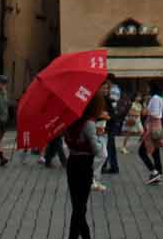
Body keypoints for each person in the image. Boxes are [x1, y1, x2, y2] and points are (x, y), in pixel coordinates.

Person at [63, 90, 106, 239]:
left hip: (72, 163)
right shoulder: (88, 123)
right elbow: (97, 150)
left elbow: (67, 143)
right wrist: (99, 138)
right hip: (84, 164)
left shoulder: (70, 120)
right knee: (80, 207)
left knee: (77, 205)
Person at [138, 83, 163, 182]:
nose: (147, 89)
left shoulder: (154, 98)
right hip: (157, 126)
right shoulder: (159, 98)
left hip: (152, 127)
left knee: (141, 152)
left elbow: (155, 114)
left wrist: (146, 110)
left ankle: (154, 172)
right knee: (155, 151)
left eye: (148, 87)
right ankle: (159, 173)